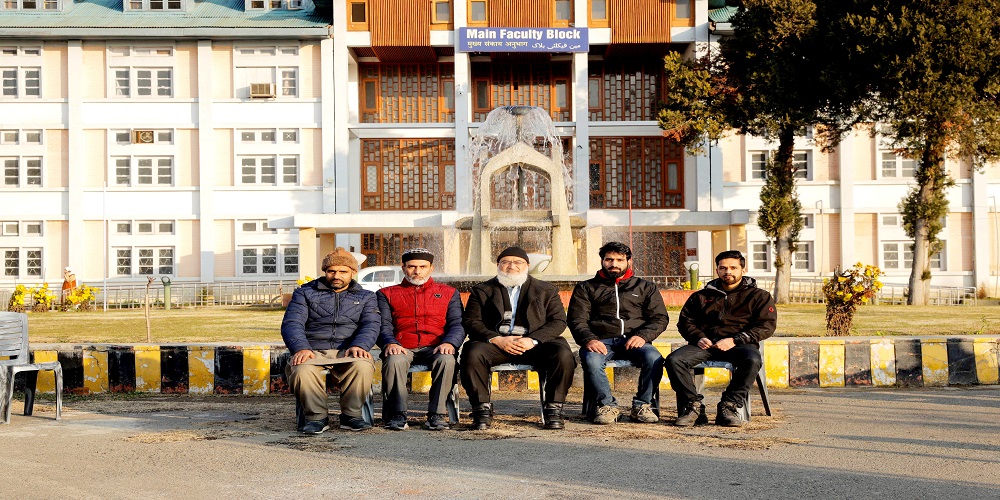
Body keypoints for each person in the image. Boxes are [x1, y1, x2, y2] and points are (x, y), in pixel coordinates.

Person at [460, 246, 576, 430]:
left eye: (518, 262)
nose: (511, 266)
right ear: (498, 265)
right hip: (497, 344)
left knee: (562, 354)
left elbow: (558, 321)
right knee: (472, 352)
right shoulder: (482, 290)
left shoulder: (546, 290)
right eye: (505, 262)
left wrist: (533, 340)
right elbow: (471, 321)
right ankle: (481, 410)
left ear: (527, 265)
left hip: (535, 344)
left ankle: (554, 409)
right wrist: (496, 339)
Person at [665, 250, 777, 427]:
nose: (728, 272)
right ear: (717, 269)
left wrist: (735, 340)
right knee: (674, 360)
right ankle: (693, 406)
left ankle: (729, 406)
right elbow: (685, 322)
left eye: (733, 268)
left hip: (740, 345)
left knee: (753, 360)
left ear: (743, 269)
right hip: (705, 345)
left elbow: (766, 326)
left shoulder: (759, 296)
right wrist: (698, 337)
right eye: (723, 268)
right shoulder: (701, 296)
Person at [567, 241, 669, 425]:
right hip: (600, 341)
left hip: (635, 340)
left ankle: (642, 405)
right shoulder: (586, 288)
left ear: (629, 261)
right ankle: (607, 406)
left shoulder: (645, 287)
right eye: (609, 259)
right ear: (602, 261)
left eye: (619, 260)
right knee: (591, 360)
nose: (614, 264)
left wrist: (642, 336)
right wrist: (589, 339)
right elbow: (576, 319)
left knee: (654, 358)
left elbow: (660, 318)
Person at [280, 247, 380, 434]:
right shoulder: (305, 293)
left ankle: (351, 416)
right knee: (302, 369)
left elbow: (371, 324)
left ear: (353, 272)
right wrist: (301, 348)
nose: (337, 276)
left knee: (362, 365)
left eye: (343, 271)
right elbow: (292, 323)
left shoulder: (366, 296)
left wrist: (360, 345)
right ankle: (316, 418)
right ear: (325, 271)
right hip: (313, 349)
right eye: (331, 271)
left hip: (348, 350)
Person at [376, 248, 466, 431]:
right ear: (403, 268)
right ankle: (397, 414)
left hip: (437, 346)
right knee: (394, 360)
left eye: (423, 267)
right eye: (412, 267)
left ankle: (437, 415)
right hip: (402, 346)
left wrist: (450, 342)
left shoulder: (449, 292)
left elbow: (457, 323)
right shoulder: (386, 293)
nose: (417, 271)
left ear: (431, 268)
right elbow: (382, 324)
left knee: (447, 360)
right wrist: (390, 343)